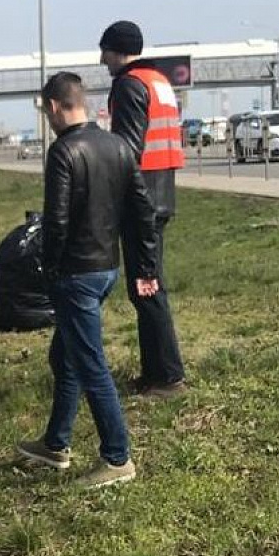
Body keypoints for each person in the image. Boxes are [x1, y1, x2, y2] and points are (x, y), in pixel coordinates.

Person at [16, 72, 160, 489]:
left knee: (90, 364)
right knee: (66, 356)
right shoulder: (118, 146)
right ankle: (55, 443)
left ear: (55, 107)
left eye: (47, 112)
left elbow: (55, 221)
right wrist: (146, 266)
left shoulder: (64, 152)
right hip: (106, 269)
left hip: (75, 274)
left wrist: (49, 268)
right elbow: (142, 212)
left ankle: (117, 457)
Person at [99, 20, 189, 398]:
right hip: (161, 195)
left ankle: (167, 377)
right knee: (149, 285)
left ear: (117, 50)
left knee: (146, 288)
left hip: (141, 202)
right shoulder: (159, 81)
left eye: (104, 51)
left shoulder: (129, 84)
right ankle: (158, 372)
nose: (101, 59)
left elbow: (128, 150)